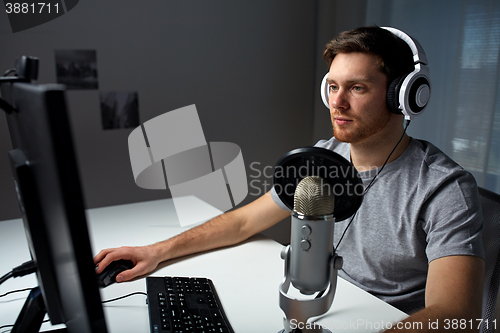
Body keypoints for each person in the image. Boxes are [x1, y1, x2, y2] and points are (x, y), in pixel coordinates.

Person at [94, 26, 485, 332]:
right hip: (318, 310)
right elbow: (245, 221)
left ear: (403, 96)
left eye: (357, 88)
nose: (338, 102)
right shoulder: (323, 156)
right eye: (332, 86)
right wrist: (157, 251)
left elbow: (456, 315)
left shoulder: (444, 188)